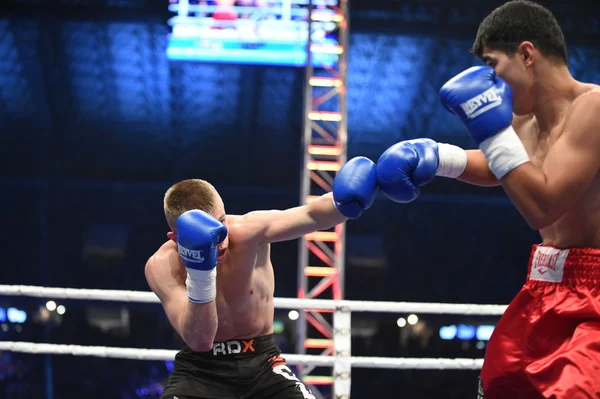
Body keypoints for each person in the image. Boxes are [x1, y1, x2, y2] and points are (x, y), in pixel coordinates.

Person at [375, 1, 600, 398]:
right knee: (500, 385)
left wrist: (492, 133)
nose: (491, 82)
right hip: (545, 286)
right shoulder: (524, 121)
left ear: (527, 54)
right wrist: (436, 156)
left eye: (494, 66)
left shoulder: (593, 108)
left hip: (594, 299)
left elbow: (544, 205)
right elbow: (499, 166)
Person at [145, 156, 379, 399]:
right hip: (200, 370)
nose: (221, 239)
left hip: (264, 363)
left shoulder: (248, 231)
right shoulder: (162, 266)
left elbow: (313, 215)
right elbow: (201, 340)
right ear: (175, 238)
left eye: (221, 222)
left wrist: (364, 190)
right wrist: (200, 271)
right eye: (208, 234)